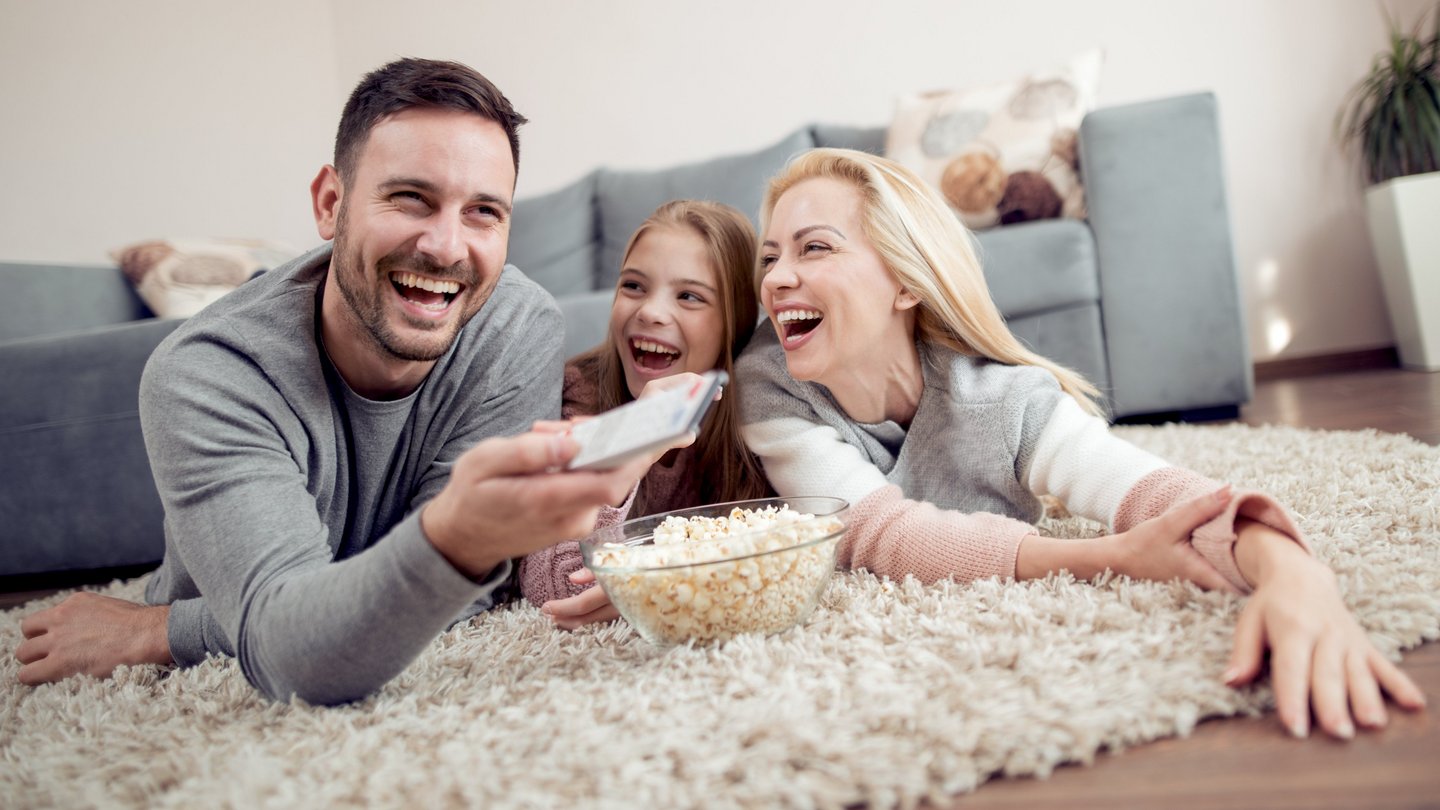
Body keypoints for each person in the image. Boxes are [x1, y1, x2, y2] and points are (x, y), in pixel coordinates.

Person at [14, 58, 652, 705]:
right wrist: (460, 540)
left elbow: (454, 598)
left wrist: (170, 629)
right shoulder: (204, 374)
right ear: (330, 202)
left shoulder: (516, 324)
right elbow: (301, 659)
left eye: (483, 211)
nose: (446, 246)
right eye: (411, 198)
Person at [737, 147, 1426, 740]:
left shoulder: (1002, 399)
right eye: (770, 257)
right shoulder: (767, 385)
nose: (775, 278)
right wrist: (1109, 557)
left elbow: (1152, 491)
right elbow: (875, 533)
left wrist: (1293, 572)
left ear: (908, 282)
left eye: (814, 247)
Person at [519, 200, 772, 630]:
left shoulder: (756, 410)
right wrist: (634, 438)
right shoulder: (578, 397)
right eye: (633, 286)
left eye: (689, 296)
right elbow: (554, 590)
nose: (650, 312)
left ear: (735, 323)